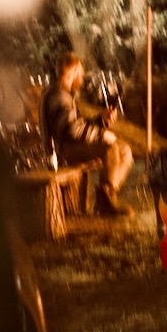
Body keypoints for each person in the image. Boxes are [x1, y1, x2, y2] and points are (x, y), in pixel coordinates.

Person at [42, 53, 134, 217]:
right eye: (81, 73)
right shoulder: (59, 96)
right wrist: (101, 135)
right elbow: (71, 131)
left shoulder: (63, 93)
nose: (82, 77)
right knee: (109, 148)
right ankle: (106, 202)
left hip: (70, 145)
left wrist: (101, 119)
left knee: (125, 150)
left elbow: (76, 125)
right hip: (62, 152)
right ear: (73, 71)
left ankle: (106, 195)